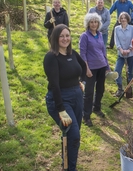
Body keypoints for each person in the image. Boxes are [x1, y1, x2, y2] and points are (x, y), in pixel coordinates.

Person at [43, 24, 86, 170]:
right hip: (60, 99)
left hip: (77, 96)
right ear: (55, 38)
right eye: (61, 36)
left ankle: (67, 165)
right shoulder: (51, 57)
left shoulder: (72, 53)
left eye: (67, 35)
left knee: (73, 136)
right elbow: (54, 85)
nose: (65, 38)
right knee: (73, 135)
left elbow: (83, 67)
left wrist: (82, 82)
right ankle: (69, 168)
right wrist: (60, 109)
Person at [79, 13, 111, 127]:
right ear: (88, 23)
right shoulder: (84, 36)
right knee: (88, 93)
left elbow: (103, 51)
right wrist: (86, 68)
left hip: (102, 66)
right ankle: (86, 115)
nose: (93, 24)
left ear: (98, 23)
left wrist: (107, 66)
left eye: (95, 22)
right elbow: (82, 54)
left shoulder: (100, 35)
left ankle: (96, 108)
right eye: (91, 22)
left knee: (100, 89)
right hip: (90, 68)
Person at [113, 12, 133, 97]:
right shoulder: (117, 29)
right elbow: (116, 40)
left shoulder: (132, 28)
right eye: (121, 18)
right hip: (121, 54)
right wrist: (121, 50)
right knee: (117, 71)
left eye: (124, 18)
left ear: (127, 19)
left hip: (130, 54)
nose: (123, 19)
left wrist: (129, 49)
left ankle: (129, 89)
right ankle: (120, 89)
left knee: (130, 72)